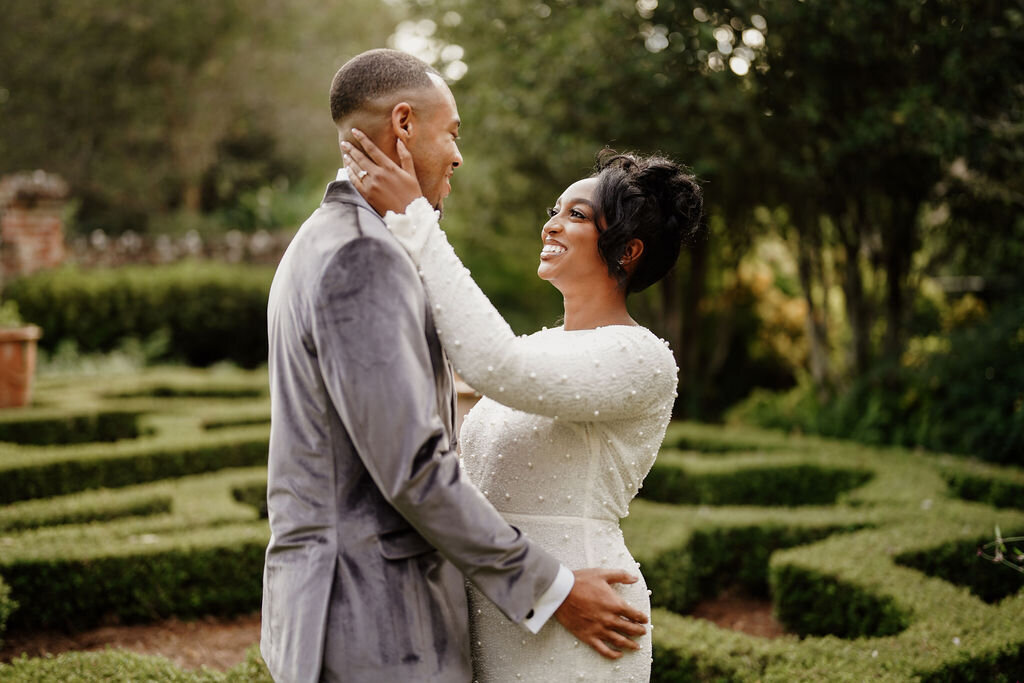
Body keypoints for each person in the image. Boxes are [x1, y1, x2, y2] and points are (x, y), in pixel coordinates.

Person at [260, 48, 648, 683]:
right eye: (453, 133)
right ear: (405, 125)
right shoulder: (365, 256)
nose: (459, 156)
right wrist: (551, 589)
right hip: (375, 622)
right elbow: (412, 468)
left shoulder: (318, 239)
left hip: (333, 612)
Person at [344, 135, 704, 681]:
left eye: (576, 215)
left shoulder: (641, 356)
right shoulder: (535, 346)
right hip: (498, 609)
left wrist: (416, 217)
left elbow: (496, 366)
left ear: (627, 250)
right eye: (553, 211)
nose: (551, 225)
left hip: (581, 622)